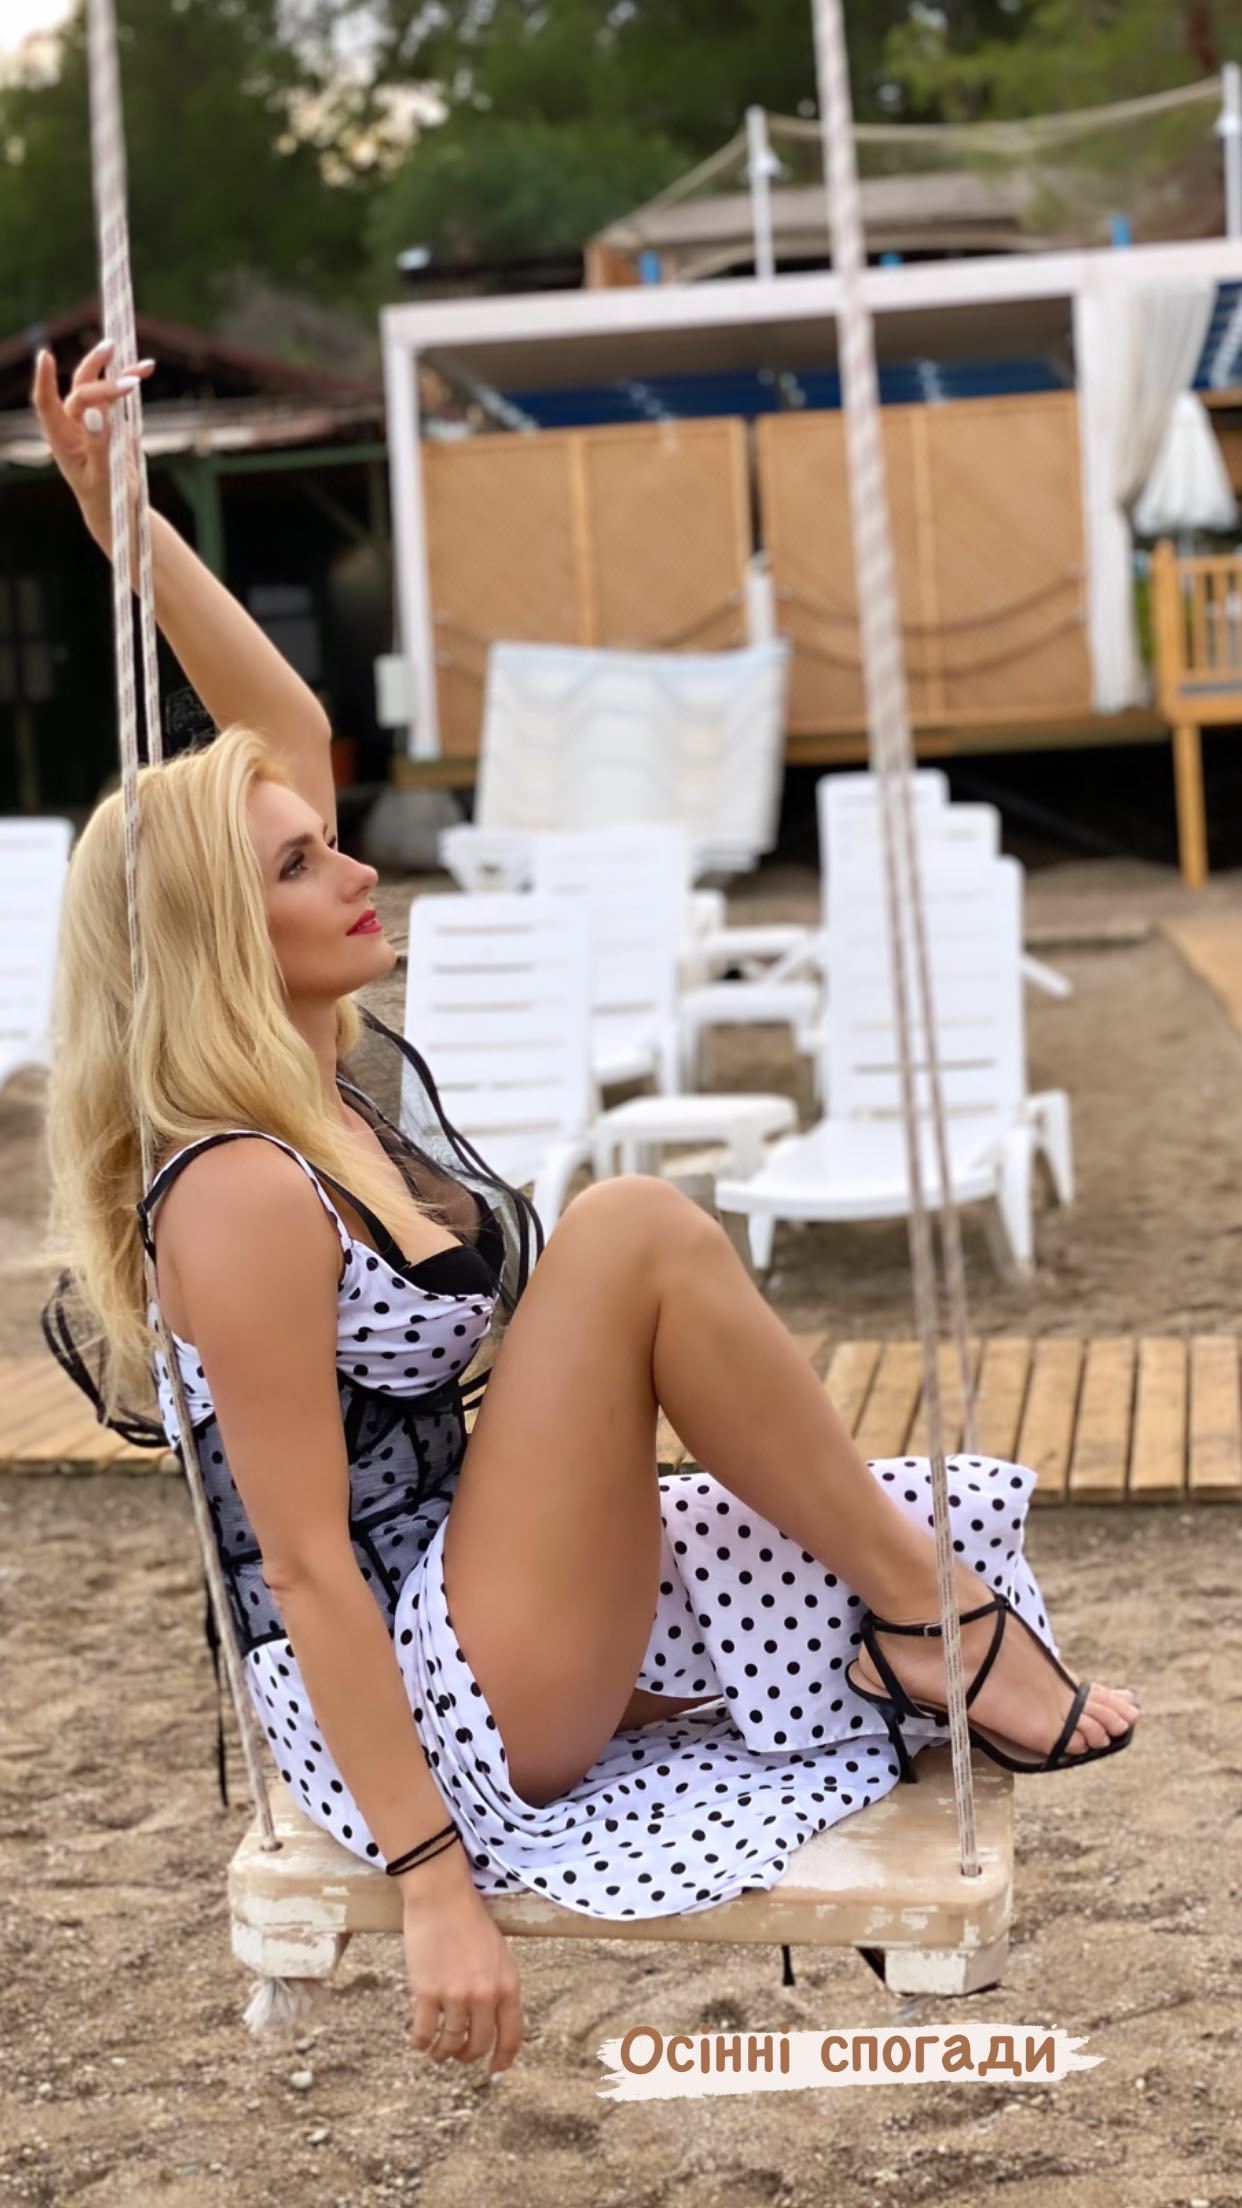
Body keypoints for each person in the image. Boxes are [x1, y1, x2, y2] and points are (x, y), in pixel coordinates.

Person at [32, 340, 1140, 2081]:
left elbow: (288, 733)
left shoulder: (325, 1094)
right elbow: (303, 1564)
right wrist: (433, 1887)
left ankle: (922, 1620)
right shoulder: (236, 1187)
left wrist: (130, 530)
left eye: (325, 841)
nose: (357, 864)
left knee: (674, 1301)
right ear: (221, 939)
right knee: (625, 1229)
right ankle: (933, 1625)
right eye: (301, 866)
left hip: (483, 1595)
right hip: (429, 1702)